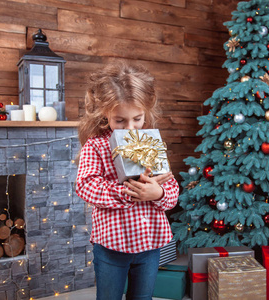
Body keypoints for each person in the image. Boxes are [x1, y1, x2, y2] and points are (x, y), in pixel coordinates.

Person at [76, 63, 179, 300]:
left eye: (137, 119)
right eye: (120, 120)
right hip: (112, 246)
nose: (130, 128)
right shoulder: (96, 146)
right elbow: (86, 185)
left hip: (149, 243)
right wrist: (128, 191)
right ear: (105, 114)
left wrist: (159, 193)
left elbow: (171, 186)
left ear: (146, 114)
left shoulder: (150, 142)